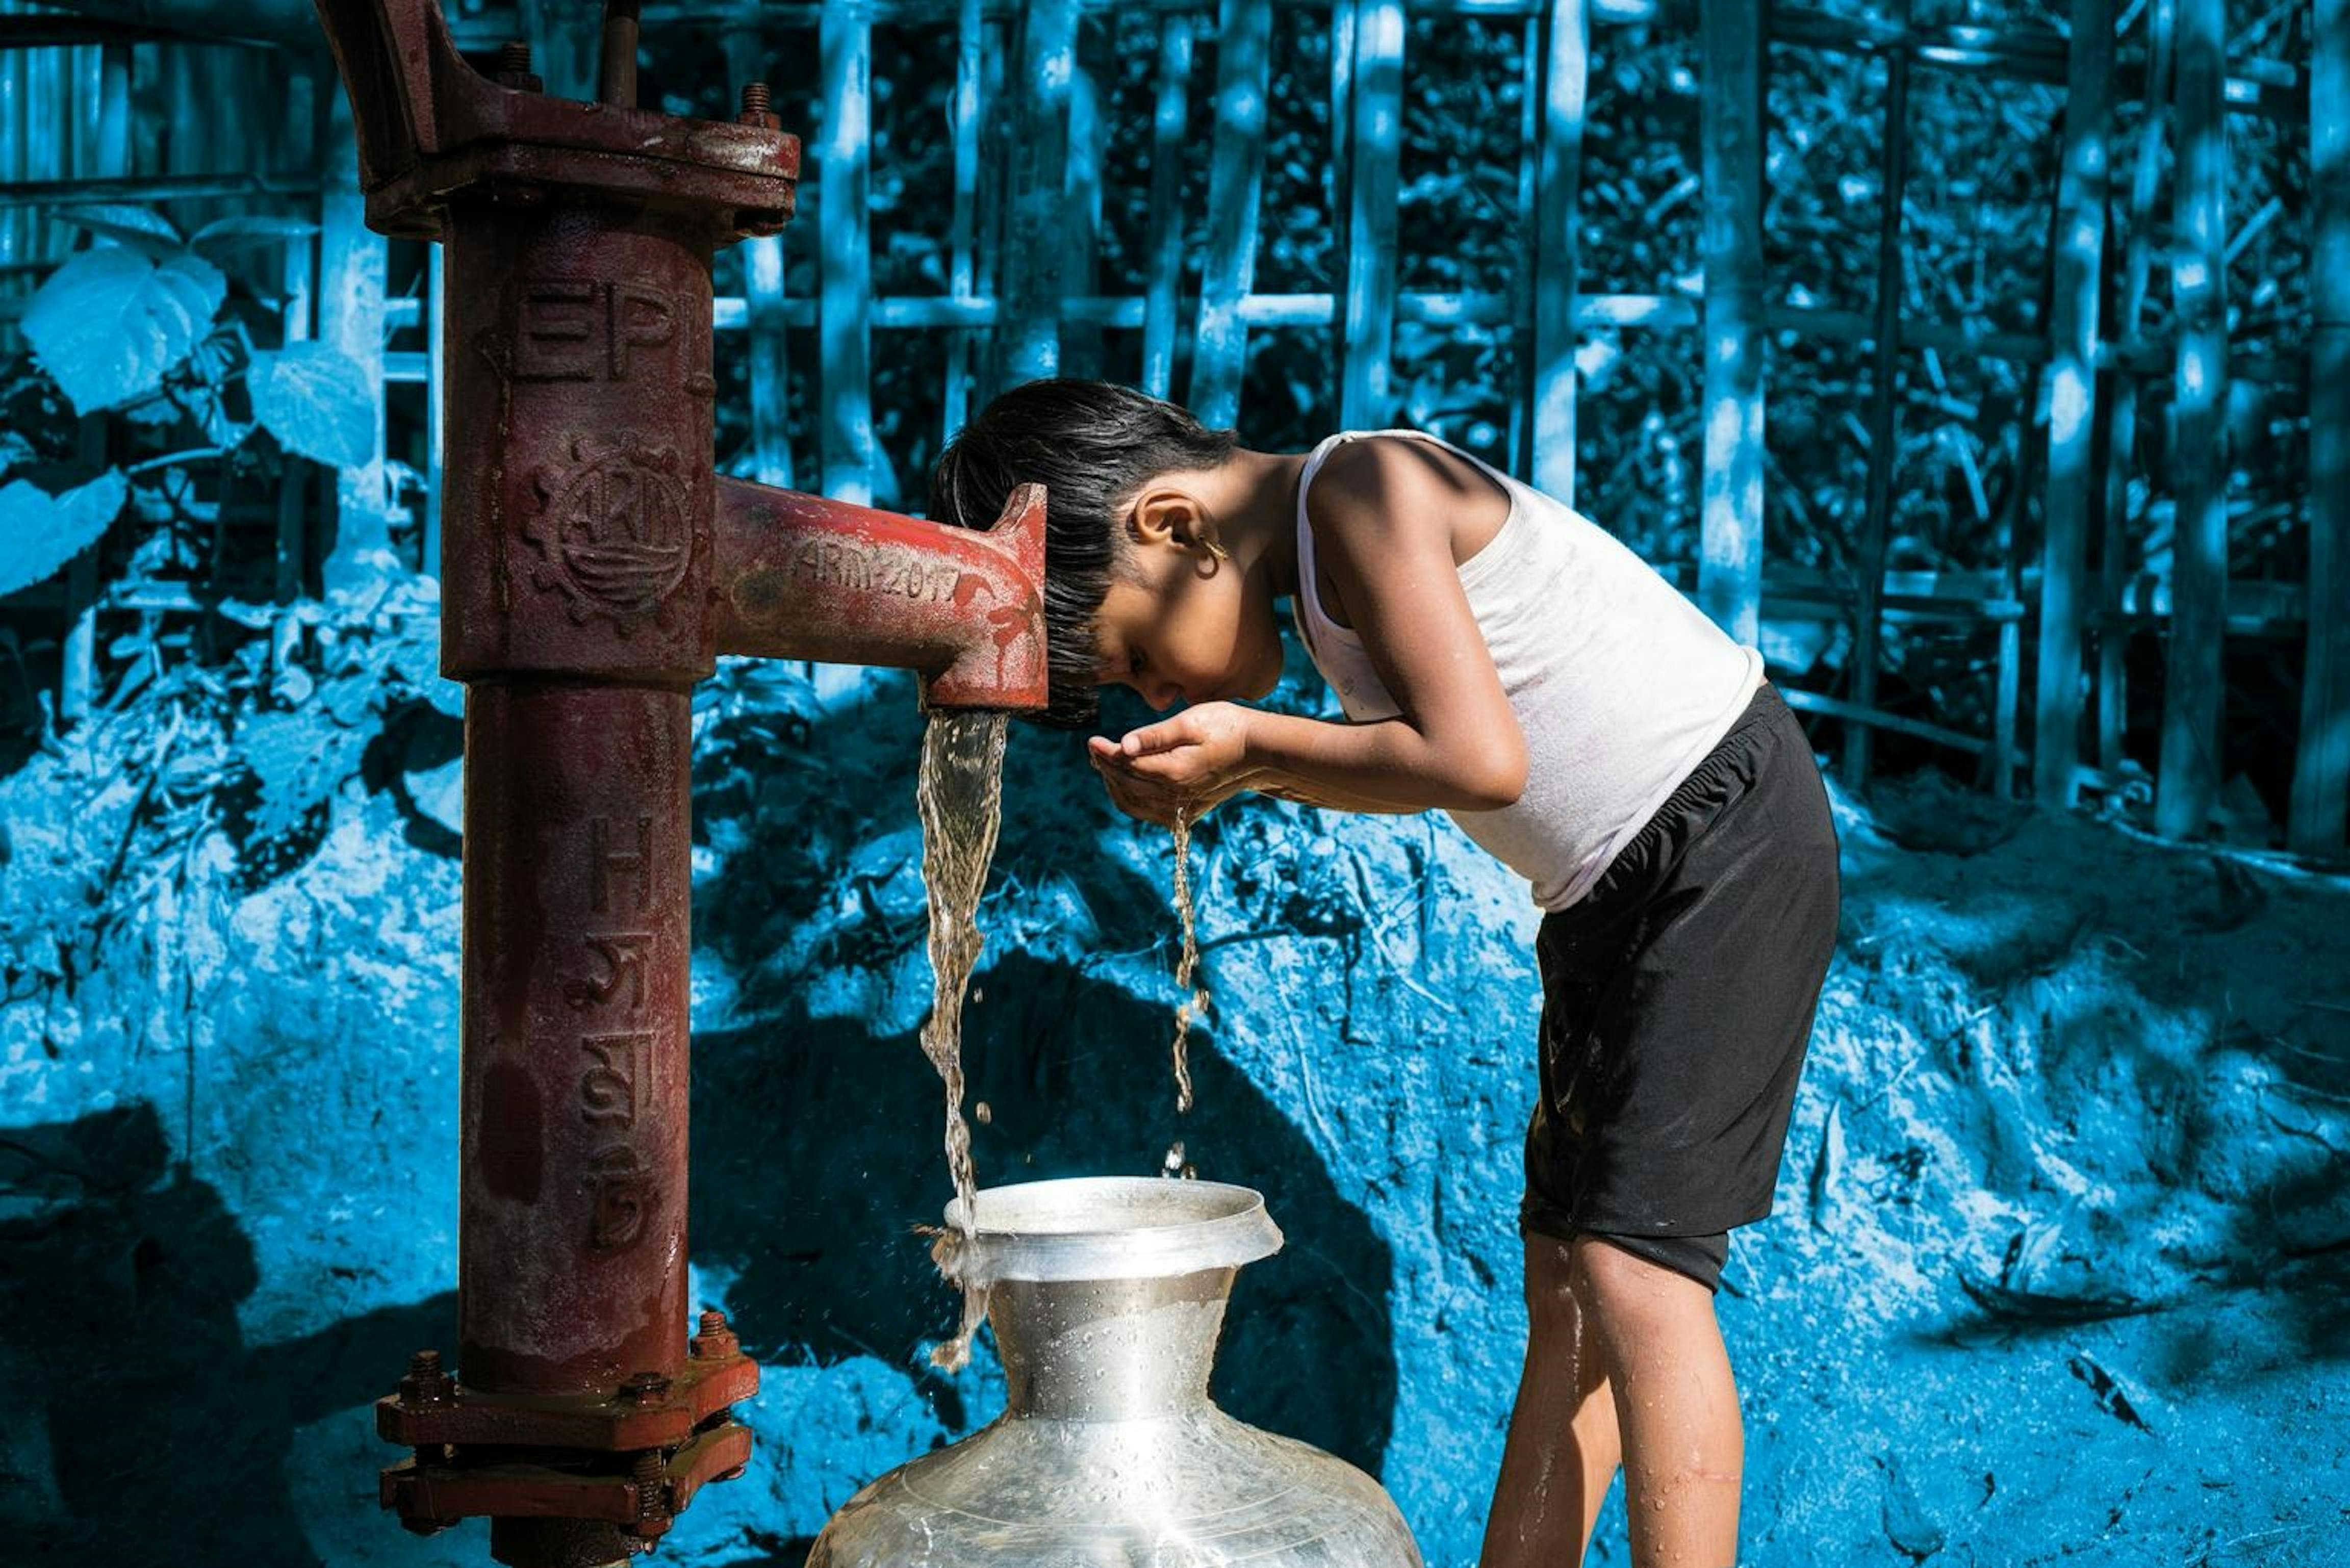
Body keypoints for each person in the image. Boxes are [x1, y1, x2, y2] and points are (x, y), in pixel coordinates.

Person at [928, 376, 1840, 1568]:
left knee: (1638, 1267)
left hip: (1721, 838)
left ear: (1172, 527)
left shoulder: (1364, 488)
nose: (1160, 692)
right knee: (1572, 1284)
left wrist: (1254, 751)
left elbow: (1477, 757)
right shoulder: (1319, 572)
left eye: (1140, 656)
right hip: (1611, 889)